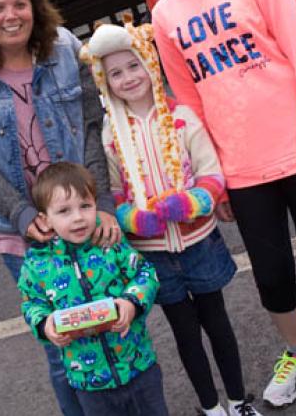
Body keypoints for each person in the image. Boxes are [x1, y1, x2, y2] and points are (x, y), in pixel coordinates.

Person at [143, 0, 296, 408]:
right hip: (242, 167)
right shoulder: (165, 15)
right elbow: (185, 102)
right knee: (275, 279)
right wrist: (212, 178)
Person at [0, 0, 122, 416]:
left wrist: (100, 203)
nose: (11, 15)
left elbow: (90, 124)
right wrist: (22, 215)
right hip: (17, 234)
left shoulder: (64, 50)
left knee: (113, 334)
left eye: (19, 4)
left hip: (82, 219)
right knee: (62, 348)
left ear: (34, 6)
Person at [81, 21, 263, 416]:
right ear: (104, 81)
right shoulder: (112, 132)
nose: (127, 78)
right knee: (185, 333)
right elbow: (112, 191)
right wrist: (131, 218)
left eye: (133, 66)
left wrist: (189, 203)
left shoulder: (182, 116)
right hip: (153, 254)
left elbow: (212, 173)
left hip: (200, 243)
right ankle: (211, 407)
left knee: (217, 322)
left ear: (150, 63)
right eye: (115, 73)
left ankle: (237, 400)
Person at [18, 161, 168, 416]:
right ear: (46, 219)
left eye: (85, 206)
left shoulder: (110, 243)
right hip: (88, 382)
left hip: (139, 366)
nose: (78, 217)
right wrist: (45, 324)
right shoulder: (37, 263)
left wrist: (131, 303)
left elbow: (145, 273)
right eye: (64, 211)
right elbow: (31, 303)